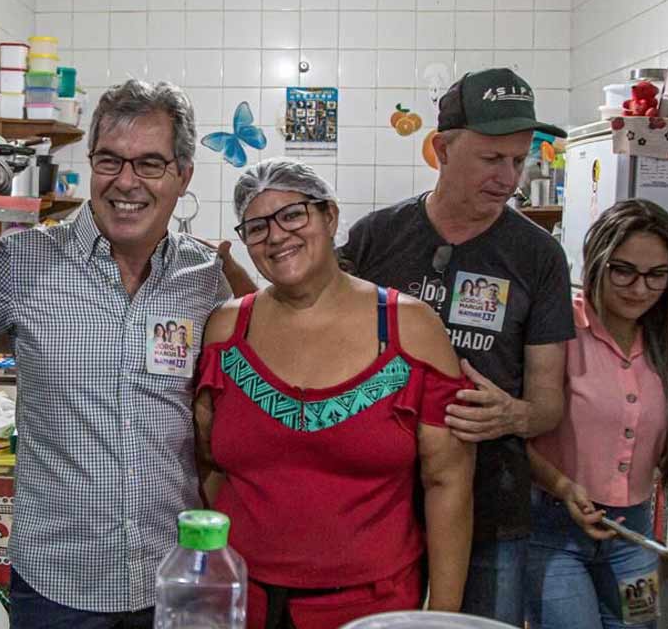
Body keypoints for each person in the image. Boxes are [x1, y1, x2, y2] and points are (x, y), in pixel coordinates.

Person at [0, 78, 255, 629]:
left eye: (149, 163)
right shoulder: (22, 264)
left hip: (172, 577)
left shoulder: (206, 281)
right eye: (110, 160)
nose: (126, 182)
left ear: (182, 175)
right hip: (57, 583)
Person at [338, 67, 576, 626]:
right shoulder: (376, 238)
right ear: (442, 148)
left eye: (519, 160)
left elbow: (548, 405)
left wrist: (512, 414)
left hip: (491, 508)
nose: (509, 178)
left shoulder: (539, 257)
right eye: (493, 159)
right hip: (380, 504)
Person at [195, 158, 475, 629]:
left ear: (330, 216)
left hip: (373, 607)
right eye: (257, 227)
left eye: (293, 214)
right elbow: (208, 460)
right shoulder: (226, 329)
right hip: (241, 603)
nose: (277, 235)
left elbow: (448, 482)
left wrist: (442, 616)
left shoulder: (410, 328)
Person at [525, 199, 668, 629]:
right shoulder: (558, 331)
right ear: (597, 264)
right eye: (623, 270)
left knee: (639, 624)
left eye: (656, 275)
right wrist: (559, 483)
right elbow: (514, 435)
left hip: (633, 538)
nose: (639, 288)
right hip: (552, 533)